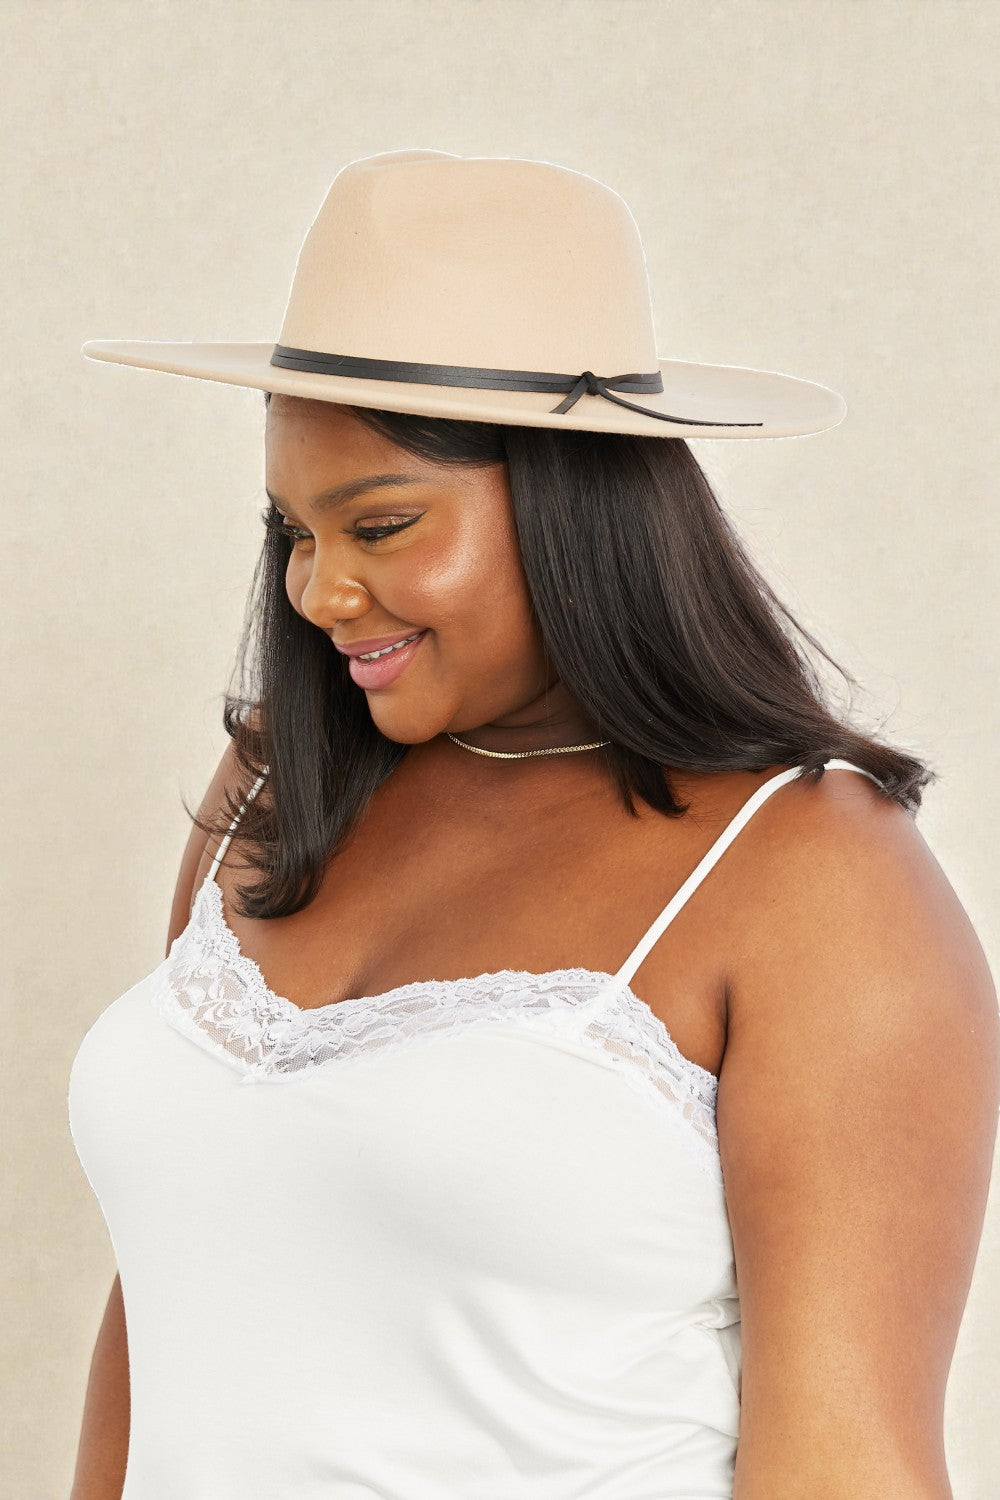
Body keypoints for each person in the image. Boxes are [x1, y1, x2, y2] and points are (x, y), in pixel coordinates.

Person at [68, 150, 998, 1500]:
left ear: (576, 502)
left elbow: (847, 1459)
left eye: (381, 525)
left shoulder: (810, 874)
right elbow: (166, 1300)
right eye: (291, 529)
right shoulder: (276, 786)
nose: (321, 592)